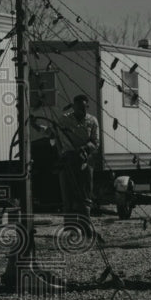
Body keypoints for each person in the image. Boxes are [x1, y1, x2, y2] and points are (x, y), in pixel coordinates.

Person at [56, 94, 100, 238]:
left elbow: (95, 141)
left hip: (84, 160)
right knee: (68, 194)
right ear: (73, 106)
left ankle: (86, 226)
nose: (81, 110)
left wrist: (85, 148)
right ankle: (70, 229)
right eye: (78, 107)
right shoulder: (64, 120)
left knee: (85, 195)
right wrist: (61, 152)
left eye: (84, 107)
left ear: (87, 106)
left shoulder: (92, 121)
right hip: (68, 160)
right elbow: (54, 135)